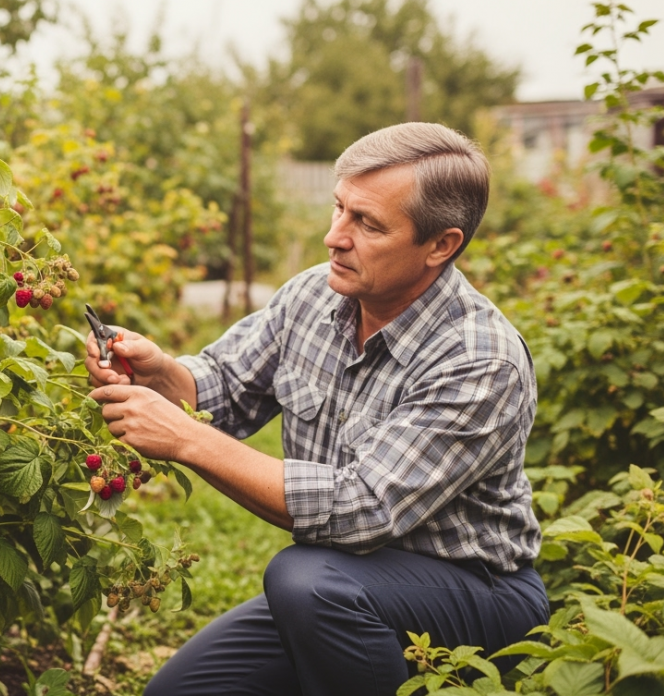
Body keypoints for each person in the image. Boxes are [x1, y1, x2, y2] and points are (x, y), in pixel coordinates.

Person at [86, 122, 548, 696]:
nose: (335, 237)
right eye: (339, 209)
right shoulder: (315, 295)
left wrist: (184, 439)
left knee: (302, 577)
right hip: (341, 589)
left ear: (440, 245)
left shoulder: (479, 360)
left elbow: (360, 510)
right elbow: (225, 387)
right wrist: (161, 374)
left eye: (367, 224)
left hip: (472, 594)